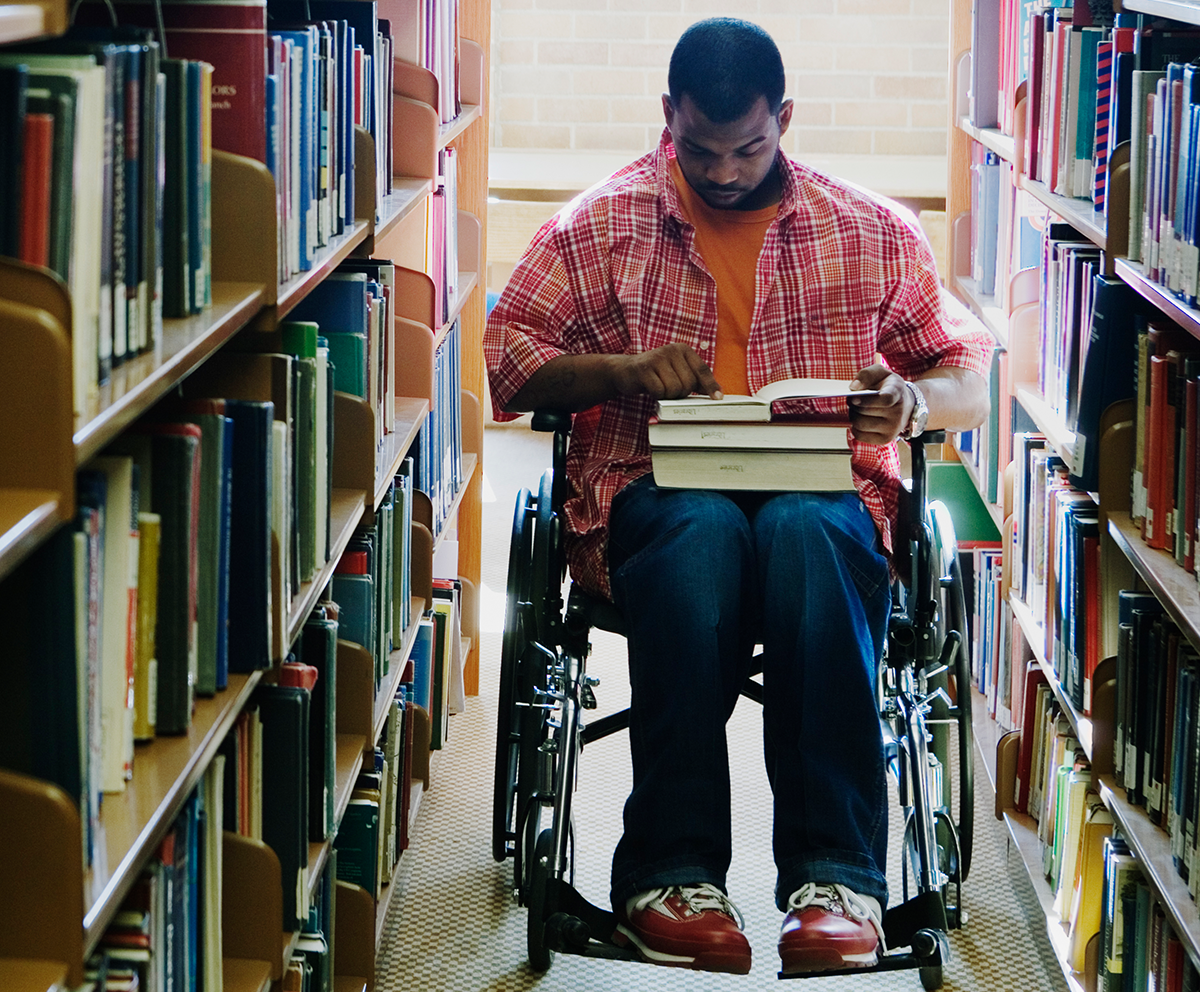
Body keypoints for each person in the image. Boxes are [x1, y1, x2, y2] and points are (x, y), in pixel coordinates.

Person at [484, 17, 991, 977]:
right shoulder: (598, 225)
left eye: (749, 147)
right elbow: (509, 360)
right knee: (701, 534)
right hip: (658, 495)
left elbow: (967, 368)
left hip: (819, 498)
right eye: (700, 149)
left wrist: (917, 401)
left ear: (784, 119)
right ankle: (670, 876)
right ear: (667, 117)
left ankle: (834, 882)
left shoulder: (869, 229)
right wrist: (626, 369)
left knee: (806, 529)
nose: (722, 171)